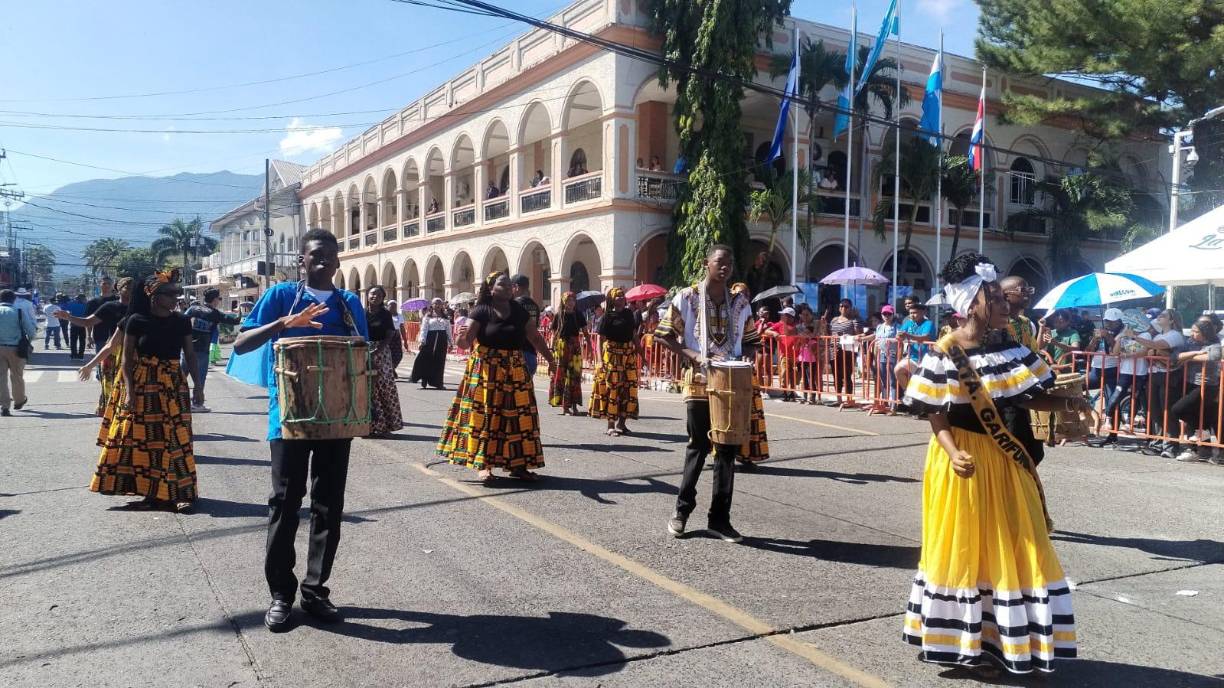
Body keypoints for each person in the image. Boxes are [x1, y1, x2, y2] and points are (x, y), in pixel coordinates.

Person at [901, 252, 1084, 674]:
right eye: (997, 299)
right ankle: (968, 642)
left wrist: (1068, 400)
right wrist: (951, 450)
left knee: (1020, 541)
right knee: (967, 548)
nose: (1007, 306)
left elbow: (1027, 395)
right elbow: (936, 413)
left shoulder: (1011, 347)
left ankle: (1005, 638)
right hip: (962, 457)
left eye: (1005, 298)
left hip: (1005, 457)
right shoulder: (947, 350)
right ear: (973, 303)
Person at [233, 228, 369, 632]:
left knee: (329, 506)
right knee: (284, 502)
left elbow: (360, 354)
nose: (323, 260)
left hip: (337, 419)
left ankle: (315, 590)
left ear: (339, 261)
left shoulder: (349, 304)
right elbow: (241, 343)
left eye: (330, 254)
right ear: (302, 260)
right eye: (315, 254)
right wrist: (284, 323)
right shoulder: (280, 296)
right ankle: (280, 594)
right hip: (288, 418)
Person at [656, 245, 758, 542]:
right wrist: (693, 355)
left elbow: (752, 340)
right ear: (706, 264)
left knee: (726, 451)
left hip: (730, 383)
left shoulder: (740, 302)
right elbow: (664, 335)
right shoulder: (687, 297)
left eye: (729, 263)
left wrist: (745, 358)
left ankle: (720, 519)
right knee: (698, 447)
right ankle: (681, 511)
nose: (724, 267)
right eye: (719, 262)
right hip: (699, 382)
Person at [91, 269, 200, 513]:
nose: (176, 298)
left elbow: (190, 356)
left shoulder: (181, 321)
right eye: (170, 294)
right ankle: (150, 493)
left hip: (172, 385)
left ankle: (180, 493)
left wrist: (198, 387)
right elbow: (126, 361)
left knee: (176, 439)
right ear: (153, 295)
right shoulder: (136, 320)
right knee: (142, 440)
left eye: (177, 294)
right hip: (142, 384)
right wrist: (130, 392)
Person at [438, 271, 554, 481]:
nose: (509, 287)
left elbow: (535, 338)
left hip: (515, 368)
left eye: (510, 284)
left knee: (520, 418)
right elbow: (464, 344)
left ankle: (519, 466)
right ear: (491, 289)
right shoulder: (481, 310)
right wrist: (461, 336)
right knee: (487, 417)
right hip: (486, 370)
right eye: (503, 284)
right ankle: (484, 465)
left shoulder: (519, 311)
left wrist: (552, 360)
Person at [1171, 317, 1222, 463]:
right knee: (1191, 414)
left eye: (1196, 332)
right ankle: (1193, 448)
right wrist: (1196, 353)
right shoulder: (1191, 342)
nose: (1192, 334)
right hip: (1190, 382)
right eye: (1192, 331)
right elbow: (1176, 356)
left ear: (1204, 333)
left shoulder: (1214, 343)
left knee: (1178, 409)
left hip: (1207, 385)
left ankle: (1203, 434)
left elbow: (1214, 356)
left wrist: (1191, 357)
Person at [590, 287, 640, 436]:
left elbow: (633, 335)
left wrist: (641, 354)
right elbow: (600, 338)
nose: (620, 298)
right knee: (613, 388)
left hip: (628, 355)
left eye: (622, 296)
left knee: (629, 388)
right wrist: (599, 360)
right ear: (612, 299)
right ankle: (610, 424)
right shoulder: (607, 316)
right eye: (617, 296)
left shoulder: (629, 314)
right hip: (612, 355)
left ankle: (622, 424)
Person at [182, 288, 241, 411]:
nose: (219, 301)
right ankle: (197, 404)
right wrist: (239, 310)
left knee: (181, 377)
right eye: (219, 299)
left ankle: (176, 402)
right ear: (214, 300)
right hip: (202, 350)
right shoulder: (215, 314)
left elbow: (181, 320)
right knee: (200, 378)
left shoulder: (193, 309)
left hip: (187, 348)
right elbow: (236, 321)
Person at [365, 285, 404, 438]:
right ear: (368, 295)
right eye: (373, 294)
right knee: (366, 388)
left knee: (383, 386)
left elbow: (390, 334)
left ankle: (386, 425)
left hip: (381, 352)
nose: (375, 297)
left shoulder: (385, 314)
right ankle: (366, 425)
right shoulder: (361, 313)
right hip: (362, 351)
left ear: (382, 299)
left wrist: (378, 350)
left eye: (379, 295)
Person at [549, 291, 586, 415]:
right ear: (564, 302)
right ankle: (565, 407)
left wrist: (590, 348)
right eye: (569, 300)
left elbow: (585, 331)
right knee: (561, 376)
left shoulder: (578, 314)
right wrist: (551, 348)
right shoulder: (558, 315)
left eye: (573, 300)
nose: (571, 303)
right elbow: (554, 334)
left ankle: (574, 406)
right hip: (561, 347)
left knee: (575, 376)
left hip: (575, 347)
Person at [0, 289, 36, 416]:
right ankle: (19, 401)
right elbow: (31, 331)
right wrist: (29, 341)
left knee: (1, 378)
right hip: (16, 349)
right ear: (13, 299)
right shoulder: (18, 312)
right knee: (17, 376)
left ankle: (4, 406)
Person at [859, 304, 899, 408]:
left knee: (892, 381)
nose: (886, 316)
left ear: (893, 314)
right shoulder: (880, 326)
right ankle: (884, 403)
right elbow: (874, 336)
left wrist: (888, 341)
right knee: (883, 380)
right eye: (884, 314)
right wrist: (862, 339)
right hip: (881, 355)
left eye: (889, 314)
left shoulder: (896, 326)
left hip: (893, 355)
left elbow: (900, 339)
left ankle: (893, 406)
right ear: (881, 315)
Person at [895, 302, 936, 402]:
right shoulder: (908, 323)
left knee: (924, 384)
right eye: (910, 313)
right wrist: (899, 336)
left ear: (923, 312)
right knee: (898, 370)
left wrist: (907, 335)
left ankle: (923, 405)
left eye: (915, 313)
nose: (912, 315)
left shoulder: (929, 323)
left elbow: (925, 337)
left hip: (926, 359)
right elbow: (899, 335)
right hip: (912, 357)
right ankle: (909, 395)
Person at [410, 298, 451, 390]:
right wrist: (422, 341)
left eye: (439, 304)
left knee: (439, 361)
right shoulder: (428, 317)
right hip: (430, 340)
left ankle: (438, 383)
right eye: (435, 304)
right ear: (432, 305)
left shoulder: (445, 317)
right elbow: (424, 330)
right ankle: (424, 379)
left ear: (442, 305)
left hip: (441, 340)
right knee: (426, 359)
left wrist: (451, 343)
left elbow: (448, 331)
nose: (437, 305)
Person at [510, 274, 542, 377]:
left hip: (517, 354)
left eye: (511, 287)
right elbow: (534, 330)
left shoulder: (514, 305)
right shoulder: (535, 306)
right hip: (531, 353)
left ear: (516, 287)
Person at [829, 299, 859, 407]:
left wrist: (856, 322)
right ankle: (839, 399)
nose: (843, 308)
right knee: (836, 375)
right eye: (841, 306)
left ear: (850, 308)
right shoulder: (834, 320)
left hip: (848, 351)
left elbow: (858, 334)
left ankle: (849, 400)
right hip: (834, 350)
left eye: (846, 306)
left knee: (847, 375)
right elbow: (829, 332)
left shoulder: (853, 320)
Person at [1000, 275, 1039, 350]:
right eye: (1023, 290)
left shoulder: (1028, 323)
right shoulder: (997, 325)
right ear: (1006, 295)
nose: (1028, 294)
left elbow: (1034, 351)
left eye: (1029, 290)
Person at [65, 293, 89, 359]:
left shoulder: (72, 304)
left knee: (73, 340)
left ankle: (73, 354)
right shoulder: (86, 305)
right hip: (82, 324)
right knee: (82, 341)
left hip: (73, 325)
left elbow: (66, 307)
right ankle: (81, 355)